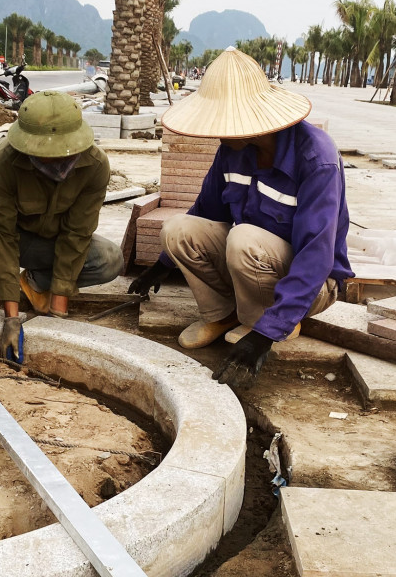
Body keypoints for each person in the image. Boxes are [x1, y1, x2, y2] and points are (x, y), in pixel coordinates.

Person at [129, 47, 353, 390]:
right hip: (253, 262)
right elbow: (205, 212)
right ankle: (224, 315)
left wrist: (265, 336)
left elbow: (316, 256)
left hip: (312, 285)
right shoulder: (233, 152)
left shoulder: (315, 158)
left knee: (243, 239)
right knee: (176, 230)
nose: (217, 132)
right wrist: (163, 264)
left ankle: (269, 321)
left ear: (250, 121)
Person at [0, 91, 125, 371]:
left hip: (47, 248)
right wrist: (11, 318)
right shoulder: (2, 161)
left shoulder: (95, 166)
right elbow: (5, 237)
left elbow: (76, 236)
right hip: (6, 241)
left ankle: (35, 284)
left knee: (109, 258)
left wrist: (57, 307)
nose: (55, 163)